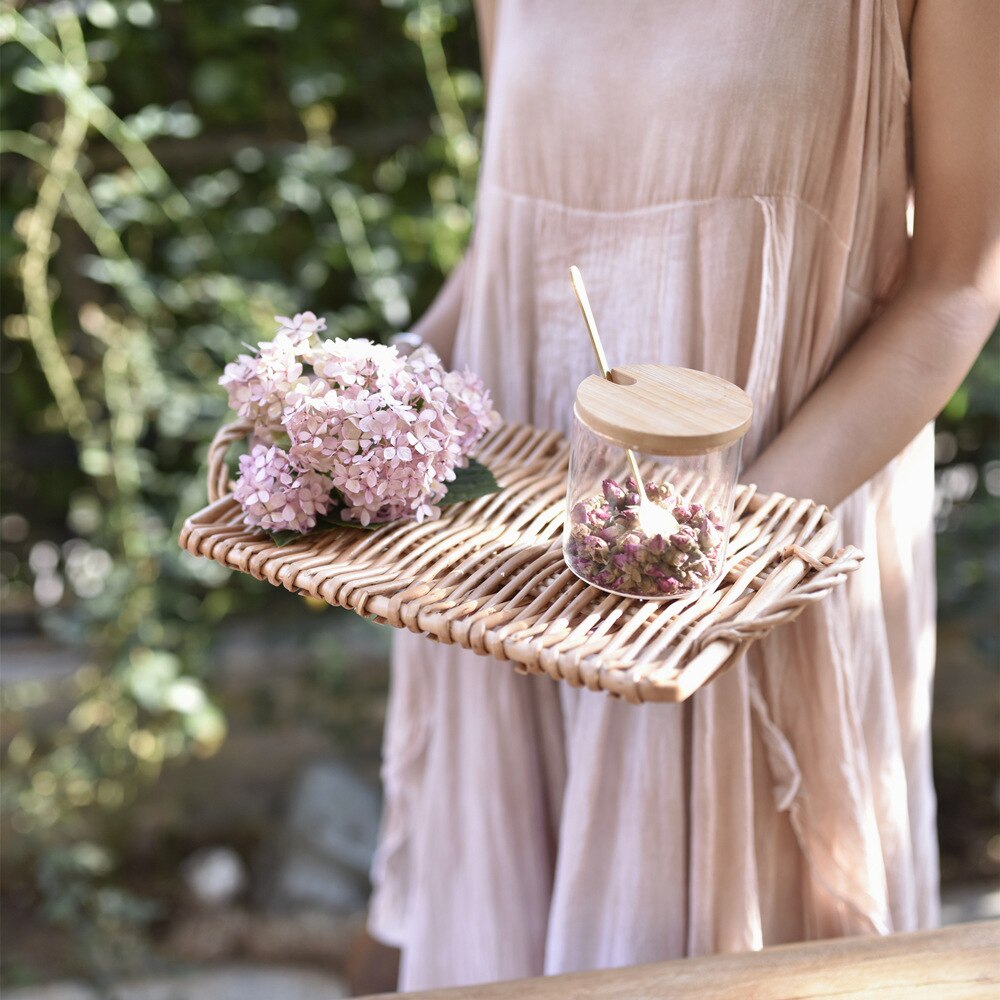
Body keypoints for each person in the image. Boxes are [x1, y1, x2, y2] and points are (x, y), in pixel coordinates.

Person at [367, 0, 1000, 989]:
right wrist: (366, 390)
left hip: (760, 550)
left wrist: (727, 543)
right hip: (521, 566)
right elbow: (515, 236)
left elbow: (958, 281)